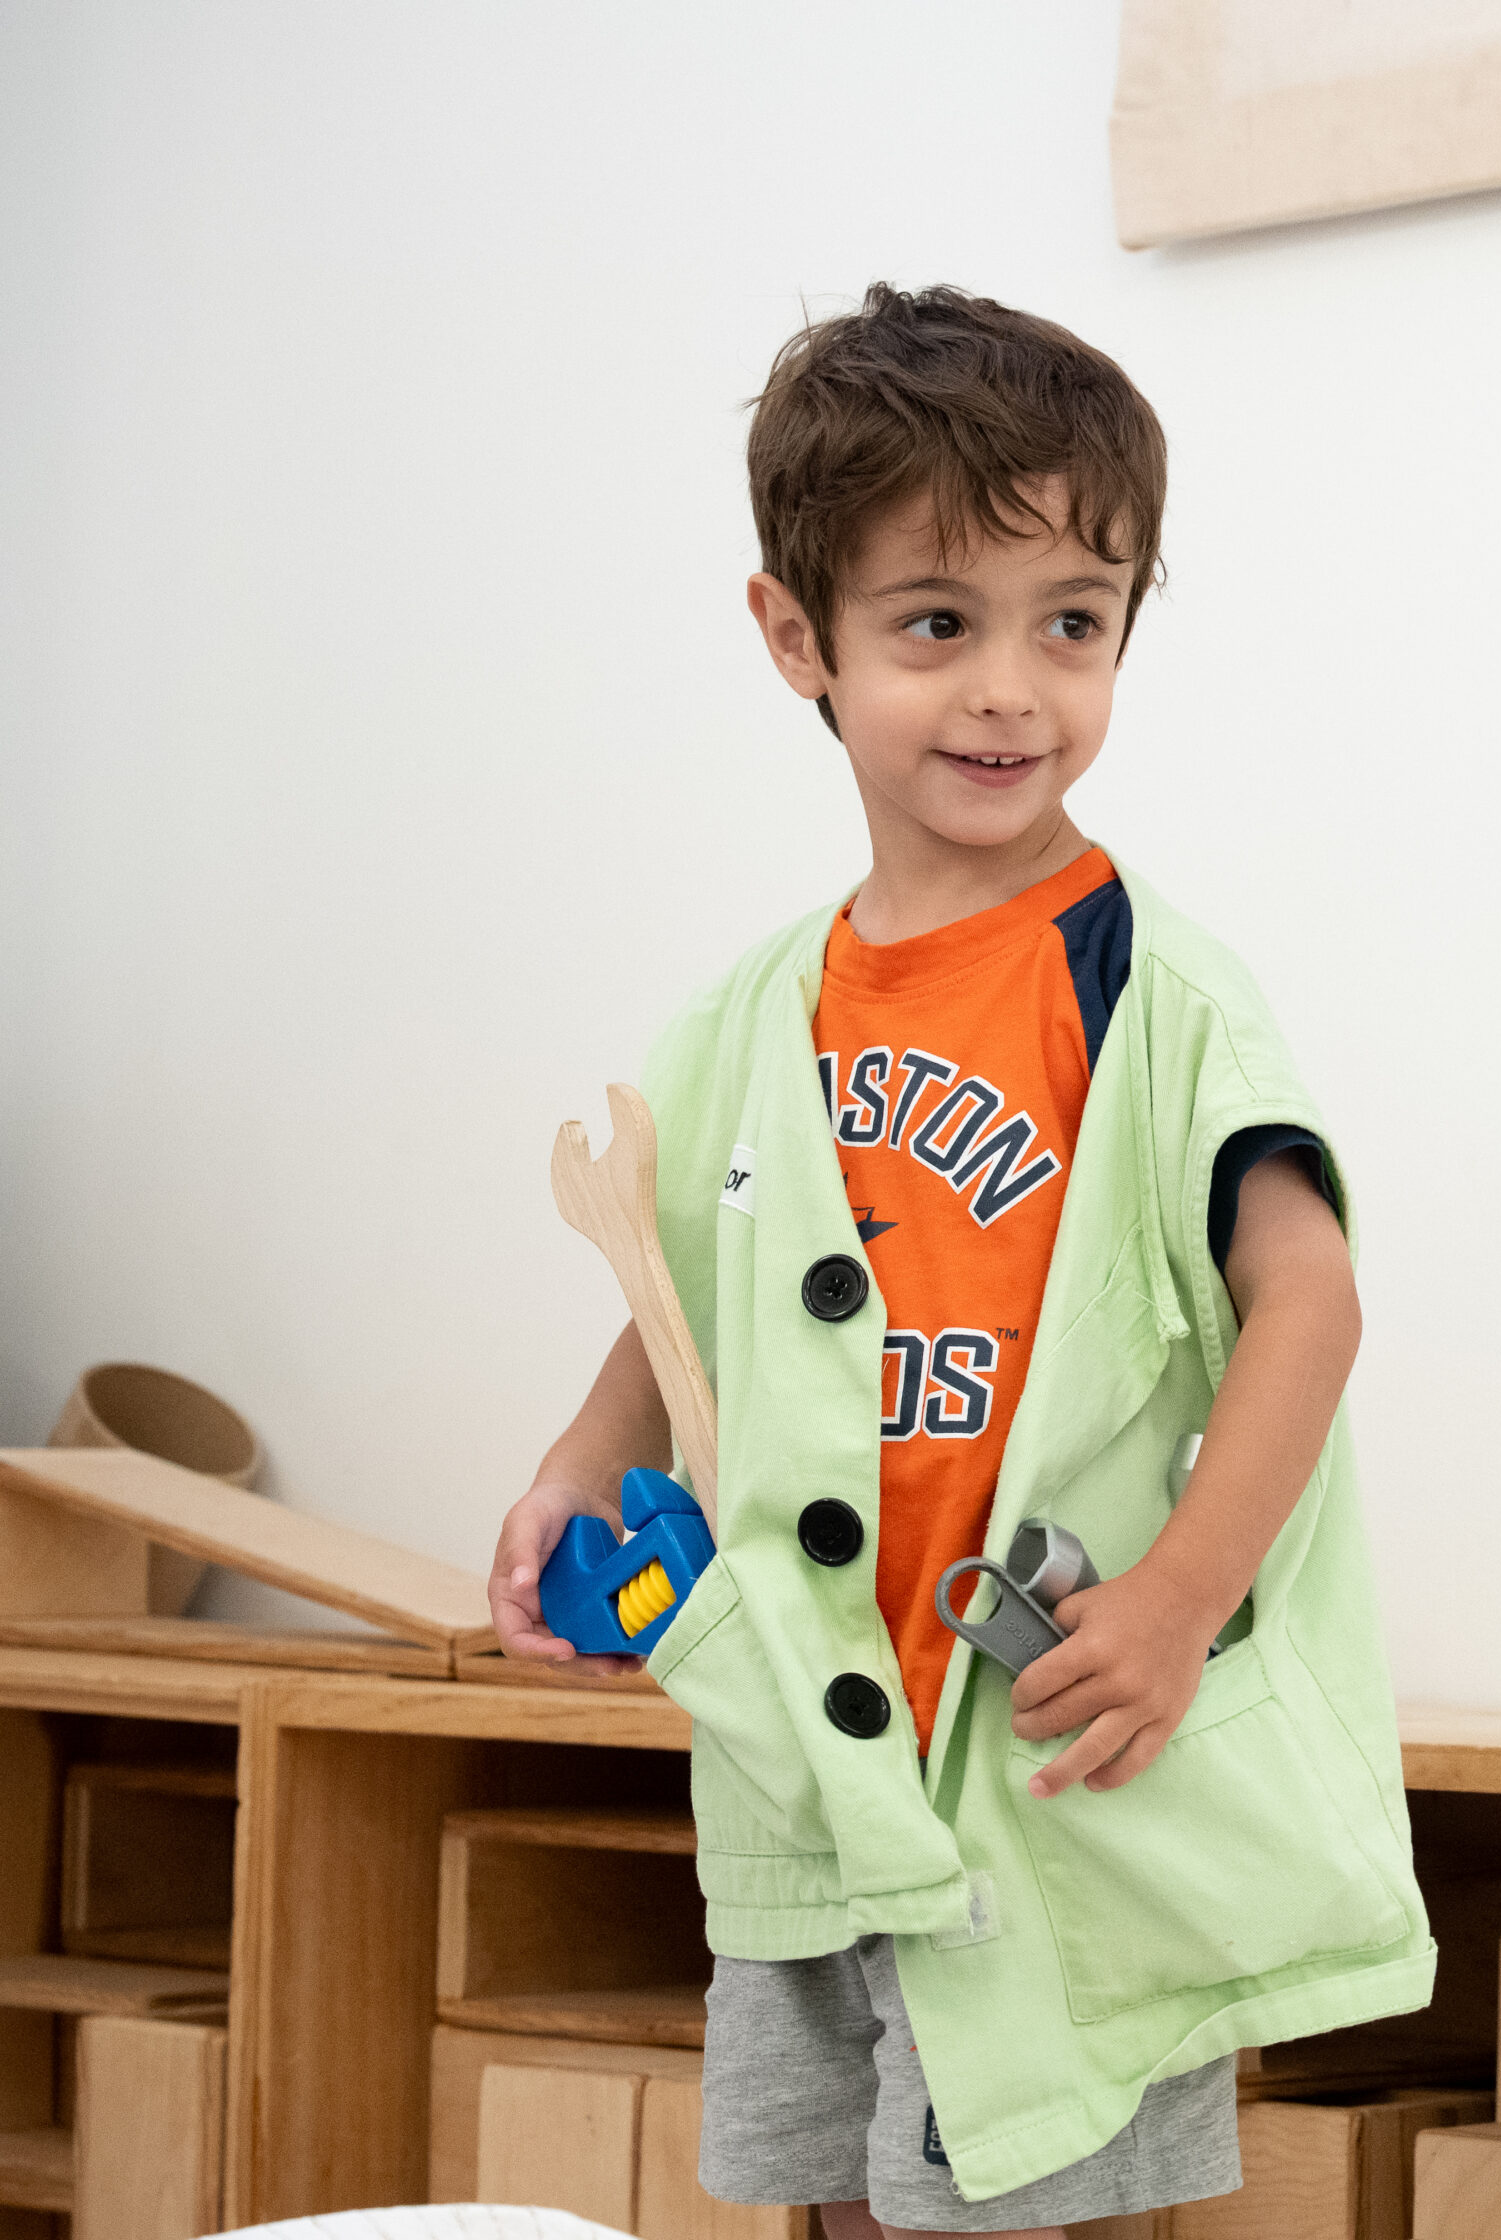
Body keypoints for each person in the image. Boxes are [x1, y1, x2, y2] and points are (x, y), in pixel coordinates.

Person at [484, 283, 1430, 2235]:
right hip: (802, 1759)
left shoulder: (1151, 991)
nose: (1013, 688)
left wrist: (1178, 1595)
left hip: (1034, 1770)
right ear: (794, 636)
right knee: (833, 2200)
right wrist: (582, 1467)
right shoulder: (750, 1017)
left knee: (1025, 2195)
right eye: (938, 624)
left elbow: (1310, 1298)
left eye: (1071, 623)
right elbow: (685, 1310)